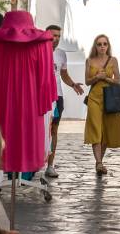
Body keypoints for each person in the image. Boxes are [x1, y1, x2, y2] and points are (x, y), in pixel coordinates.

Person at [84, 34, 120, 176]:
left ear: (108, 46)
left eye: (105, 44)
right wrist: (96, 77)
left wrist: (106, 78)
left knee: (106, 132)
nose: (102, 46)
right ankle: (99, 163)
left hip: (109, 99)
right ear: (95, 46)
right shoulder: (89, 60)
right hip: (94, 99)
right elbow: (87, 81)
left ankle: (100, 161)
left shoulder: (113, 60)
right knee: (95, 129)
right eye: (99, 44)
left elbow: (118, 80)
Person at [45, 24, 85, 178]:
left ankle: (50, 165)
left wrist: (73, 84)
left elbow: (64, 74)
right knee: (39, 129)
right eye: (52, 35)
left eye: (58, 36)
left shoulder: (61, 54)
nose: (55, 39)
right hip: (41, 97)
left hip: (57, 96)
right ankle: (33, 162)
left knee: (53, 130)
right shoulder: (37, 51)